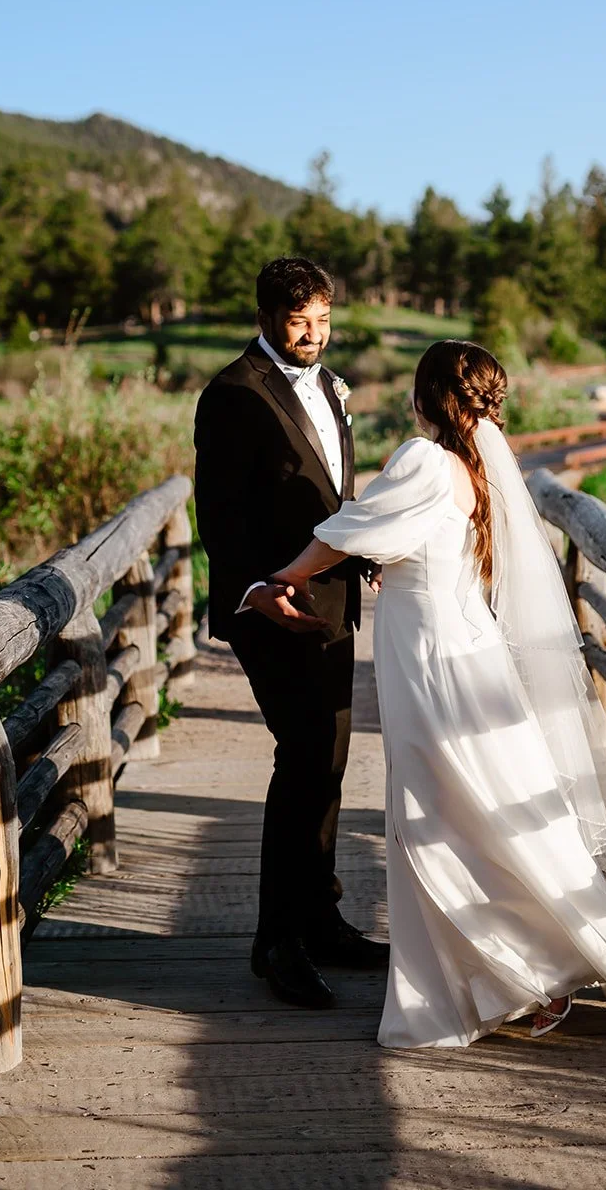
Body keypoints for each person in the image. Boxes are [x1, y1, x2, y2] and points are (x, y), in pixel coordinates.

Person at [271, 338, 606, 1049]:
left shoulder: (424, 458)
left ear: (427, 396)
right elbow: (413, 540)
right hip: (465, 647)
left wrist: (281, 578)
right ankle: (529, 967)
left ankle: (514, 976)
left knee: (438, 808)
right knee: (484, 804)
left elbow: (349, 532)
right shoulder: (476, 466)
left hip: (430, 659)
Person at [193, 256, 389, 1012]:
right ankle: (276, 942)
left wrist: (366, 552)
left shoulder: (330, 386)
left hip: (331, 600)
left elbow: (332, 492)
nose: (314, 336)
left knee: (329, 759)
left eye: (324, 322)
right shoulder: (232, 394)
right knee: (303, 754)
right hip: (269, 603)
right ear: (267, 316)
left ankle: (320, 918)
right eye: (300, 322)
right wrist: (258, 587)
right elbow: (221, 513)